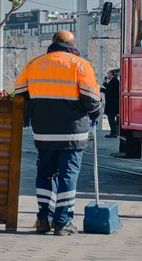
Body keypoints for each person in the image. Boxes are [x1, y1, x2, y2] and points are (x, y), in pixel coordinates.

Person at [14, 30, 101, 236]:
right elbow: (91, 98)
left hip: (43, 132)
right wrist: (97, 113)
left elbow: (19, 91)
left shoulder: (34, 63)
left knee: (45, 174)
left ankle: (43, 218)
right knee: (68, 176)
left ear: (53, 42)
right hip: (72, 133)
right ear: (72, 43)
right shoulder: (80, 64)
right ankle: (62, 222)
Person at [100, 70, 120, 138]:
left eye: (108, 74)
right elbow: (108, 91)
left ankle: (113, 132)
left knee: (111, 118)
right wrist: (101, 89)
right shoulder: (113, 81)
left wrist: (105, 83)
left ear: (111, 74)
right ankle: (113, 132)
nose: (107, 75)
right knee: (110, 118)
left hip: (113, 104)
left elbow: (110, 90)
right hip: (111, 104)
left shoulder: (115, 81)